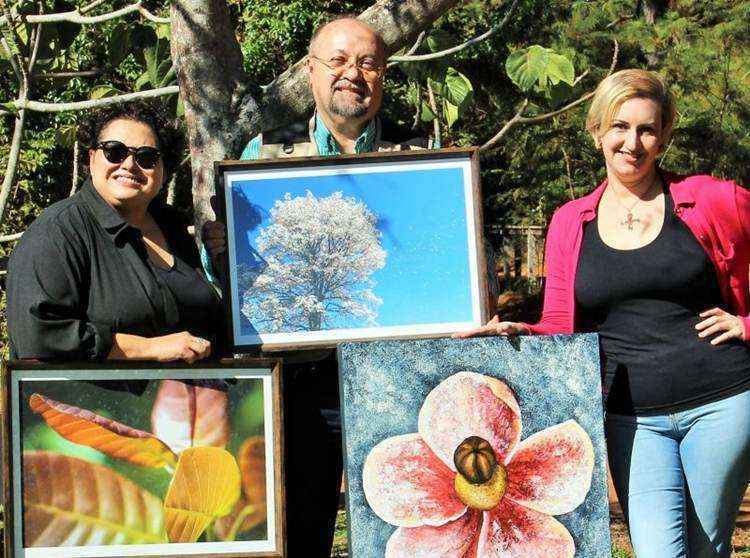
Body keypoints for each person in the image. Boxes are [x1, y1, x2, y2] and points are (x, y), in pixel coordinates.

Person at [458, 68, 750, 558]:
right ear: (597, 132)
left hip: (721, 404)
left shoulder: (714, 201)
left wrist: (745, 324)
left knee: (705, 550)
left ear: (664, 138)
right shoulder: (570, 221)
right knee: (659, 551)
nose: (631, 142)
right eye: (619, 126)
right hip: (631, 419)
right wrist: (519, 330)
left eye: (646, 129)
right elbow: (558, 326)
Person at [202, 17, 428, 557]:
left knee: (404, 532)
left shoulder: (419, 156)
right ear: (312, 71)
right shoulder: (264, 157)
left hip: (396, 381)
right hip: (300, 384)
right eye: (339, 60)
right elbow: (235, 278)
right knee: (301, 532)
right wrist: (220, 254)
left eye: (369, 63)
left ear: (384, 75)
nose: (354, 74)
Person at [7, 102, 221, 364]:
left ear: (164, 170)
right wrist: (149, 348)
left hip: (192, 398)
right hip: (93, 403)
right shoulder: (57, 232)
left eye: (146, 157)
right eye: (115, 152)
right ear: (91, 158)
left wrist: (223, 260)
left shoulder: (173, 227)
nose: (129, 165)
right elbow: (38, 336)